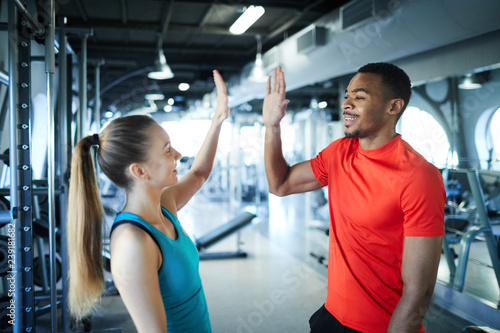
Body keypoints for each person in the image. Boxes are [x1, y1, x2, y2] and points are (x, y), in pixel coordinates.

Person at [263, 64, 445, 333]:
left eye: (359, 97)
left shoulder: (418, 176)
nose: (346, 103)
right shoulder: (339, 153)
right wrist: (272, 126)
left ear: (393, 107)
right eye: (347, 95)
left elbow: (419, 291)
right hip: (330, 317)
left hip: (380, 327)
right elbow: (280, 184)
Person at [67, 70, 229, 333]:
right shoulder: (134, 242)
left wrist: (219, 119)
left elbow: (198, 174)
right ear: (139, 171)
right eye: (167, 150)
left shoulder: (165, 205)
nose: (178, 154)